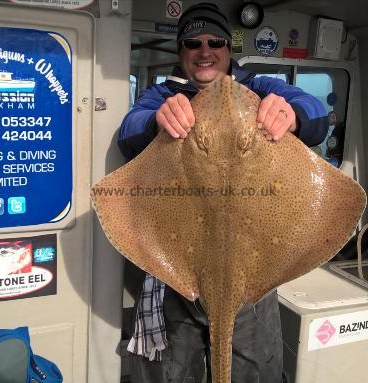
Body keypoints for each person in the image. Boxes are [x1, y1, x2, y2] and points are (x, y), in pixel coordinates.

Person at [118, 3, 329, 382]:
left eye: (215, 41)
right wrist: (156, 121)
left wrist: (293, 115)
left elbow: (316, 115)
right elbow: (129, 132)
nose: (205, 50)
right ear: (181, 51)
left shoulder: (261, 87)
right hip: (180, 274)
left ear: (228, 49)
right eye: (193, 42)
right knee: (171, 374)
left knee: (254, 372)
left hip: (253, 275)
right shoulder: (162, 96)